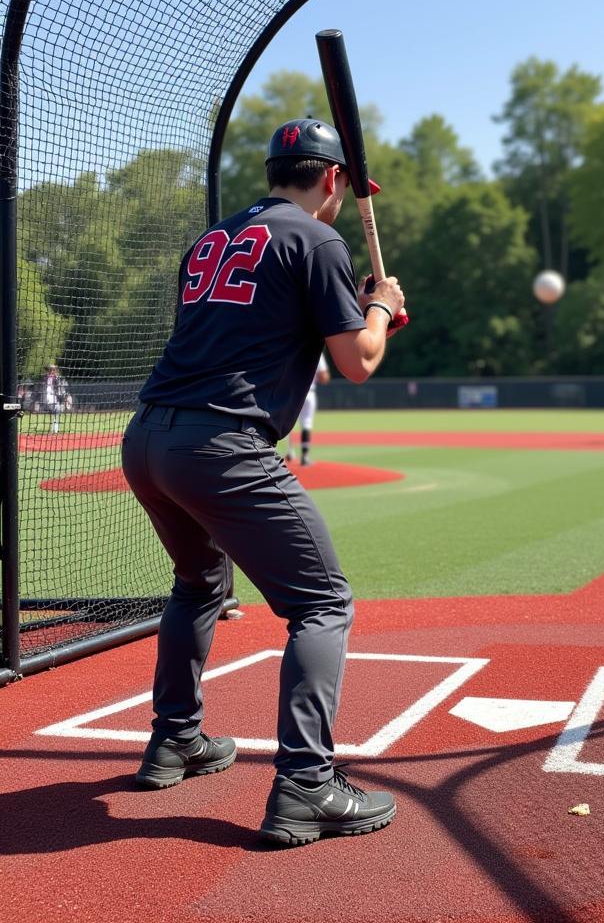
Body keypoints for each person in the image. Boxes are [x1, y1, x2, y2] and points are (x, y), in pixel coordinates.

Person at [121, 118, 405, 845]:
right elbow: (356, 363)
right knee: (322, 603)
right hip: (221, 444)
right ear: (332, 179)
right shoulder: (318, 239)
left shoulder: (215, 238)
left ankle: (176, 739)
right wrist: (379, 305)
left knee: (199, 584)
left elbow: (265, 331)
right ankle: (308, 784)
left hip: (148, 435)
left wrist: (367, 311)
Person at [286, 353, 330, 466]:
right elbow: (324, 377)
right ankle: (304, 457)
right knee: (306, 423)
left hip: (292, 393)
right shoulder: (317, 353)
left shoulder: (292, 350)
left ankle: (289, 451)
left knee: (285, 422)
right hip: (309, 393)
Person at [39, 362, 72, 433]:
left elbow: (60, 387)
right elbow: (43, 385)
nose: (52, 371)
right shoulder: (45, 378)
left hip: (56, 396)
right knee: (52, 410)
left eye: (53, 370)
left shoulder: (58, 378)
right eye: (50, 370)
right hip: (48, 396)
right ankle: (53, 427)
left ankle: (55, 428)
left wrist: (63, 396)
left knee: (56, 411)